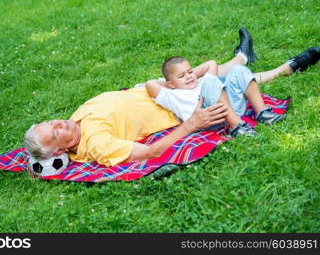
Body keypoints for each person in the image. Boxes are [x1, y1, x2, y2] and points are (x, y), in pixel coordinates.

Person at [24, 28, 320, 166]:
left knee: (209, 74)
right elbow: (151, 153)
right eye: (56, 132)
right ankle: (285, 68)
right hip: (177, 106)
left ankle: (242, 58)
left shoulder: (75, 121)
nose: (60, 123)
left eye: (52, 121)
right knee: (222, 82)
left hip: (158, 90)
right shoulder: (96, 144)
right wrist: (191, 125)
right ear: (60, 151)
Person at [145, 56, 285, 137]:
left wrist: (191, 76)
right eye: (181, 76)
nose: (188, 77)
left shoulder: (201, 83)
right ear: (170, 84)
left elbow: (211, 63)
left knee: (237, 69)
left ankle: (263, 113)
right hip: (209, 121)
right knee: (209, 80)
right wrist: (171, 84)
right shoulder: (172, 95)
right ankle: (237, 127)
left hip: (230, 110)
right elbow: (150, 84)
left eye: (190, 72)